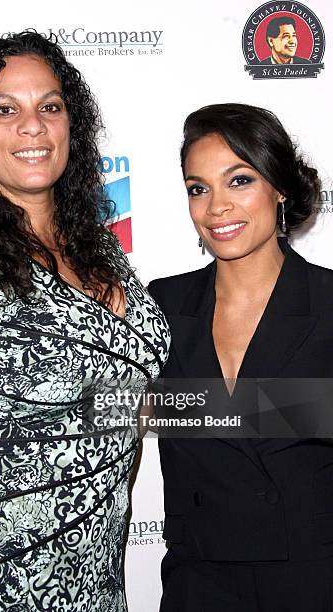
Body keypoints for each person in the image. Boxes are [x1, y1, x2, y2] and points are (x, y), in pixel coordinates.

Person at [0, 31, 170, 611]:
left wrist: (294, 406)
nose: (31, 126)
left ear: (70, 126)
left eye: (49, 107)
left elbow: (123, 402)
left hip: (99, 589)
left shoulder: (103, 256)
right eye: (4, 109)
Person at [148, 103, 333, 611]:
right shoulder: (161, 303)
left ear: (281, 188)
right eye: (198, 188)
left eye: (239, 180)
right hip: (198, 580)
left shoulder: (328, 301)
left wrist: (186, 407)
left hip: (313, 579)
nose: (216, 208)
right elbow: (109, 409)